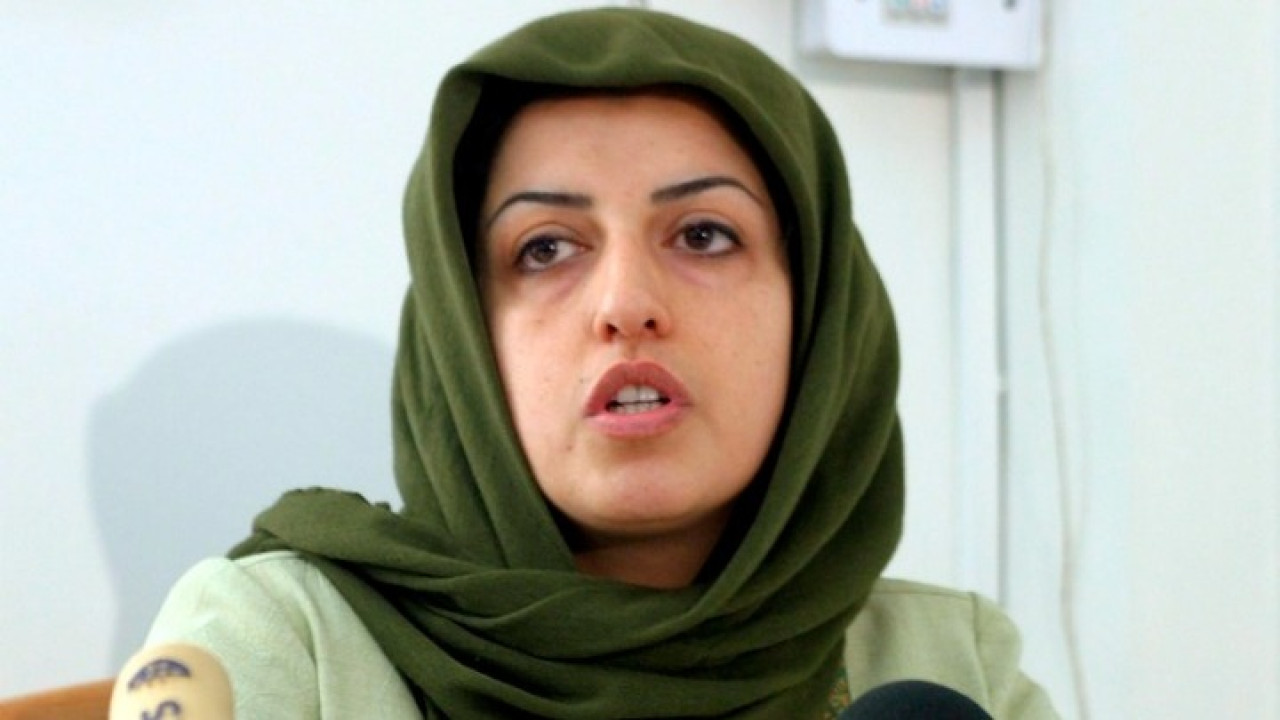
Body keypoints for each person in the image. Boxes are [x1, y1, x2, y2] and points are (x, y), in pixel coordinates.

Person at [138, 8, 1058, 718]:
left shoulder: (948, 663)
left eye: (704, 234)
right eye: (545, 248)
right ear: (462, 336)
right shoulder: (286, 643)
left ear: (816, 314)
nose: (624, 304)